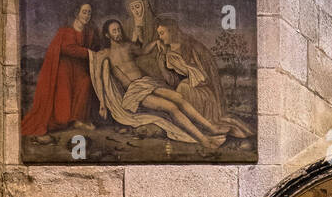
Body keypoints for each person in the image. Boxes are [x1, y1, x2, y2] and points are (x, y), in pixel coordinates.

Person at [89, 19, 231, 149]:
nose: (118, 33)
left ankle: (211, 128)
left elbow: (144, 51)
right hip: (134, 91)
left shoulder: (128, 46)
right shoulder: (104, 54)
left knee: (179, 98)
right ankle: (203, 139)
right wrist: (102, 103)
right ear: (107, 35)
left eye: (119, 29)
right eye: (114, 31)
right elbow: (98, 77)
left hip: (147, 82)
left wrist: (156, 42)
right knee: (171, 107)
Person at [21, 0, 99, 140]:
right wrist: (88, 53)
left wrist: (92, 53)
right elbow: (67, 48)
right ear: (77, 13)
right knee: (64, 95)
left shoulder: (90, 32)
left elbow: (93, 48)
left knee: (86, 82)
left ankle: (78, 119)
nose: (87, 15)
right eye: (84, 12)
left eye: (89, 13)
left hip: (80, 67)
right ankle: (64, 120)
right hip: (64, 67)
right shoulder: (66, 31)